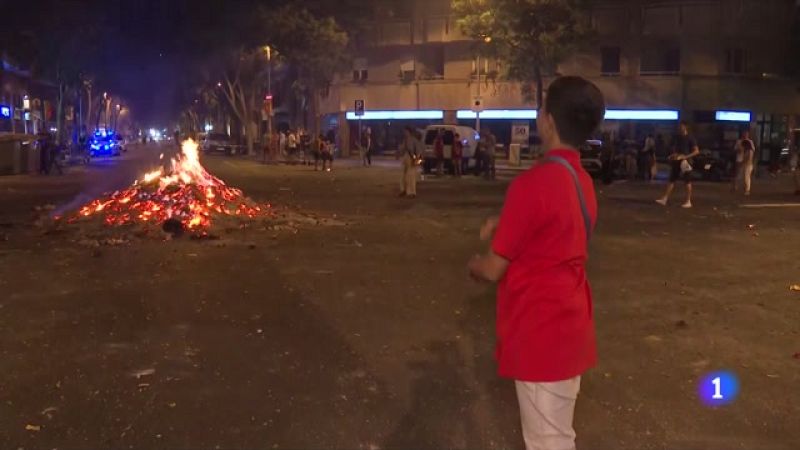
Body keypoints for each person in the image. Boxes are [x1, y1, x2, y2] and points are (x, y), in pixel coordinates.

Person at [468, 76, 603, 450]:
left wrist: (474, 263)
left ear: (547, 121)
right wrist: (506, 221)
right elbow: (555, 230)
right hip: (571, 324)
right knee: (557, 435)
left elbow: (494, 269)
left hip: (541, 331)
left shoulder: (532, 185)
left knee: (548, 442)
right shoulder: (582, 181)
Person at [656, 122, 700, 208]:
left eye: (681, 127)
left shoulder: (690, 138)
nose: (680, 128)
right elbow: (675, 149)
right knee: (671, 179)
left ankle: (688, 201)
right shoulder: (677, 137)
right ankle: (665, 198)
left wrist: (685, 157)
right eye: (679, 127)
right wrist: (673, 155)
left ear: (685, 127)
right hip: (677, 160)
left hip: (686, 162)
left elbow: (696, 151)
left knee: (687, 181)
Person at [398, 126, 422, 198]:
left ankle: (411, 192)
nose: (404, 133)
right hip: (405, 157)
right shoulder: (404, 140)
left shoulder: (414, 140)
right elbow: (401, 149)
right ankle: (403, 190)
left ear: (409, 132)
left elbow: (418, 151)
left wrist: (416, 159)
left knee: (410, 176)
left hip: (411, 158)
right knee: (403, 175)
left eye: (406, 131)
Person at [732, 130, 755, 196]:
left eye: (746, 134)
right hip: (740, 160)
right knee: (738, 175)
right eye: (744, 134)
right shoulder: (739, 142)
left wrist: (745, 162)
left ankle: (747, 190)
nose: (745, 135)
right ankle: (735, 187)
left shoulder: (750, 146)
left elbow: (749, 157)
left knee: (746, 176)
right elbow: (735, 150)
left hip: (747, 164)